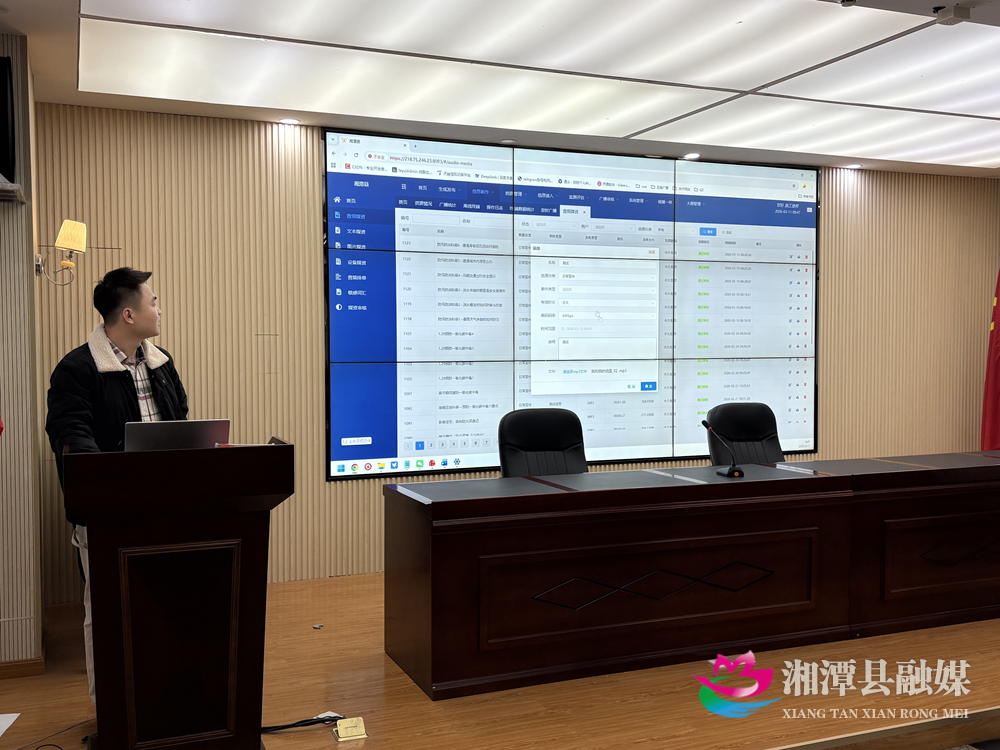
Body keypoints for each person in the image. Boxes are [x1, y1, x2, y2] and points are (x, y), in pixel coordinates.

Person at [45, 267, 188, 704]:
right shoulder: (77, 369)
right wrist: (111, 484)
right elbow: (70, 433)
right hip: (108, 513)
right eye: (153, 302)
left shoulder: (161, 362)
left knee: (167, 605)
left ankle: (162, 698)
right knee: (107, 610)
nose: (159, 309)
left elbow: (180, 420)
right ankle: (108, 709)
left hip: (166, 508)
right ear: (128, 314)